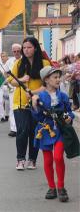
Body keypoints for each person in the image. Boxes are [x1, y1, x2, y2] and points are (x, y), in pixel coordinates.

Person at [31, 66, 75, 202]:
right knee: (48, 160)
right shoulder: (41, 96)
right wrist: (34, 105)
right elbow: (37, 117)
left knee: (58, 157)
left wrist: (69, 117)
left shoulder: (63, 95)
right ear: (46, 80)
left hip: (60, 130)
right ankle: (52, 187)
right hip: (45, 131)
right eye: (55, 77)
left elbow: (69, 111)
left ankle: (61, 187)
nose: (58, 79)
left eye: (59, 77)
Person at [6, 37, 50, 170]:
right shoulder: (19, 64)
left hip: (38, 103)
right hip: (20, 103)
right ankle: (20, 159)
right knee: (22, 131)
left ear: (35, 48)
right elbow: (11, 80)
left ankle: (32, 159)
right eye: (24, 47)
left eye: (29, 47)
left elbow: (48, 84)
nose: (26, 50)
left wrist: (34, 92)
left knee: (34, 132)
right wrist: (21, 79)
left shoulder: (44, 63)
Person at [7, 44, 22, 137]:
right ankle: (13, 129)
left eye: (18, 51)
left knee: (22, 109)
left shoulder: (25, 60)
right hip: (12, 88)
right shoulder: (9, 61)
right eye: (14, 51)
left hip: (23, 87)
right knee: (13, 108)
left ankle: (21, 127)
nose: (16, 53)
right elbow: (6, 73)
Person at [0, 52, 10, 123]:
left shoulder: (10, 64)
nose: (3, 58)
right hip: (1, 86)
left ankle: (7, 114)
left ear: (7, 57)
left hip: (8, 85)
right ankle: (2, 117)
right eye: (2, 56)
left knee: (7, 102)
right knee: (0, 102)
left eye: (4, 56)